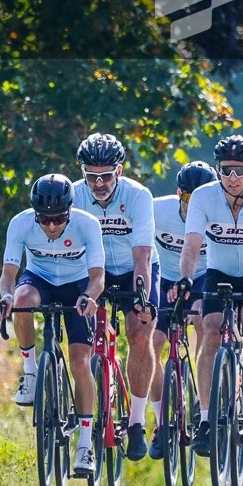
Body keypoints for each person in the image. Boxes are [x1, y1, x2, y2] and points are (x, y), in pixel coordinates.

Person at [167, 134, 243, 473]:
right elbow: (191, 244)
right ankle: (205, 417)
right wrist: (185, 278)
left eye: (240, 171)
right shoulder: (203, 197)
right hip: (217, 271)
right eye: (226, 170)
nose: (232, 178)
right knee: (211, 329)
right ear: (218, 169)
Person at [0, 173, 106, 475]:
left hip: (77, 284)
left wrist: (89, 297)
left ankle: (85, 446)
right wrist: (5, 297)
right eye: (45, 219)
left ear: (69, 211)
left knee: (80, 363)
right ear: (35, 214)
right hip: (40, 278)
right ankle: (30, 374)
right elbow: (9, 273)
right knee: (22, 298)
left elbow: (97, 277)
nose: (52, 226)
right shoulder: (20, 223)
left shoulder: (87, 224)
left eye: (58, 219)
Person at [71, 133, 159, 461]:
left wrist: (143, 298)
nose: (99, 183)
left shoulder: (137, 196)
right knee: (84, 338)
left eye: (106, 175)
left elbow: (142, 256)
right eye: (91, 175)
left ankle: (136, 421)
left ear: (119, 171)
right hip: (92, 272)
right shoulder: (74, 196)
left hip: (132, 270)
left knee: (139, 332)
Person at [147, 161, 213, 460]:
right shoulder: (157, 210)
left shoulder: (221, 216)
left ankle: (203, 400)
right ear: (178, 195)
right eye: (188, 200)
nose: (194, 207)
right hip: (165, 279)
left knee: (202, 318)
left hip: (201, 279)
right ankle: (161, 420)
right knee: (150, 345)